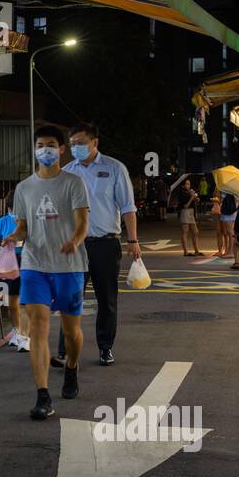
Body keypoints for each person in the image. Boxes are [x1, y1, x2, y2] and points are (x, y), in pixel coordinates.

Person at [3, 125, 90, 421]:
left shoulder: (74, 183)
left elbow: (82, 222)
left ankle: (72, 366)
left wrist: (76, 241)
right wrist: (14, 236)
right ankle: (42, 394)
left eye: (51, 144)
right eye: (40, 145)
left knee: (71, 333)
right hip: (34, 264)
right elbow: (24, 226)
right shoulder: (24, 188)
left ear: (61, 149)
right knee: (38, 328)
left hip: (69, 266)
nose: (45, 150)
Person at [61, 122, 140, 367]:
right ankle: (64, 350)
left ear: (95, 143)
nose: (76, 148)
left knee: (107, 299)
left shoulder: (115, 169)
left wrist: (133, 240)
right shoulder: (66, 171)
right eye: (72, 144)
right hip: (75, 245)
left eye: (81, 143)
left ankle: (105, 347)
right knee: (70, 297)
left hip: (105, 244)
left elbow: (128, 207)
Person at [0, 198, 29, 351]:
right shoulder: (5, 221)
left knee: (14, 300)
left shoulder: (7, 221)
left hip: (15, 262)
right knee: (15, 300)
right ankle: (19, 332)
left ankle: (22, 334)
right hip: (15, 262)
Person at [178, 179, 203, 256]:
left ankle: (196, 250)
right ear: (183, 185)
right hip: (185, 212)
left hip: (191, 212)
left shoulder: (189, 192)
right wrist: (192, 197)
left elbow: (195, 201)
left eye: (189, 184)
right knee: (185, 232)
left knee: (195, 232)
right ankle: (186, 251)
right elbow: (185, 206)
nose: (188, 186)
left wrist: (195, 198)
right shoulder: (182, 193)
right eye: (187, 184)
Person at [217, 190, 237, 258]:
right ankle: (229, 251)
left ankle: (231, 252)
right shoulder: (225, 188)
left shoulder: (228, 188)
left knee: (230, 232)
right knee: (228, 232)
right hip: (226, 212)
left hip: (228, 212)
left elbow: (221, 200)